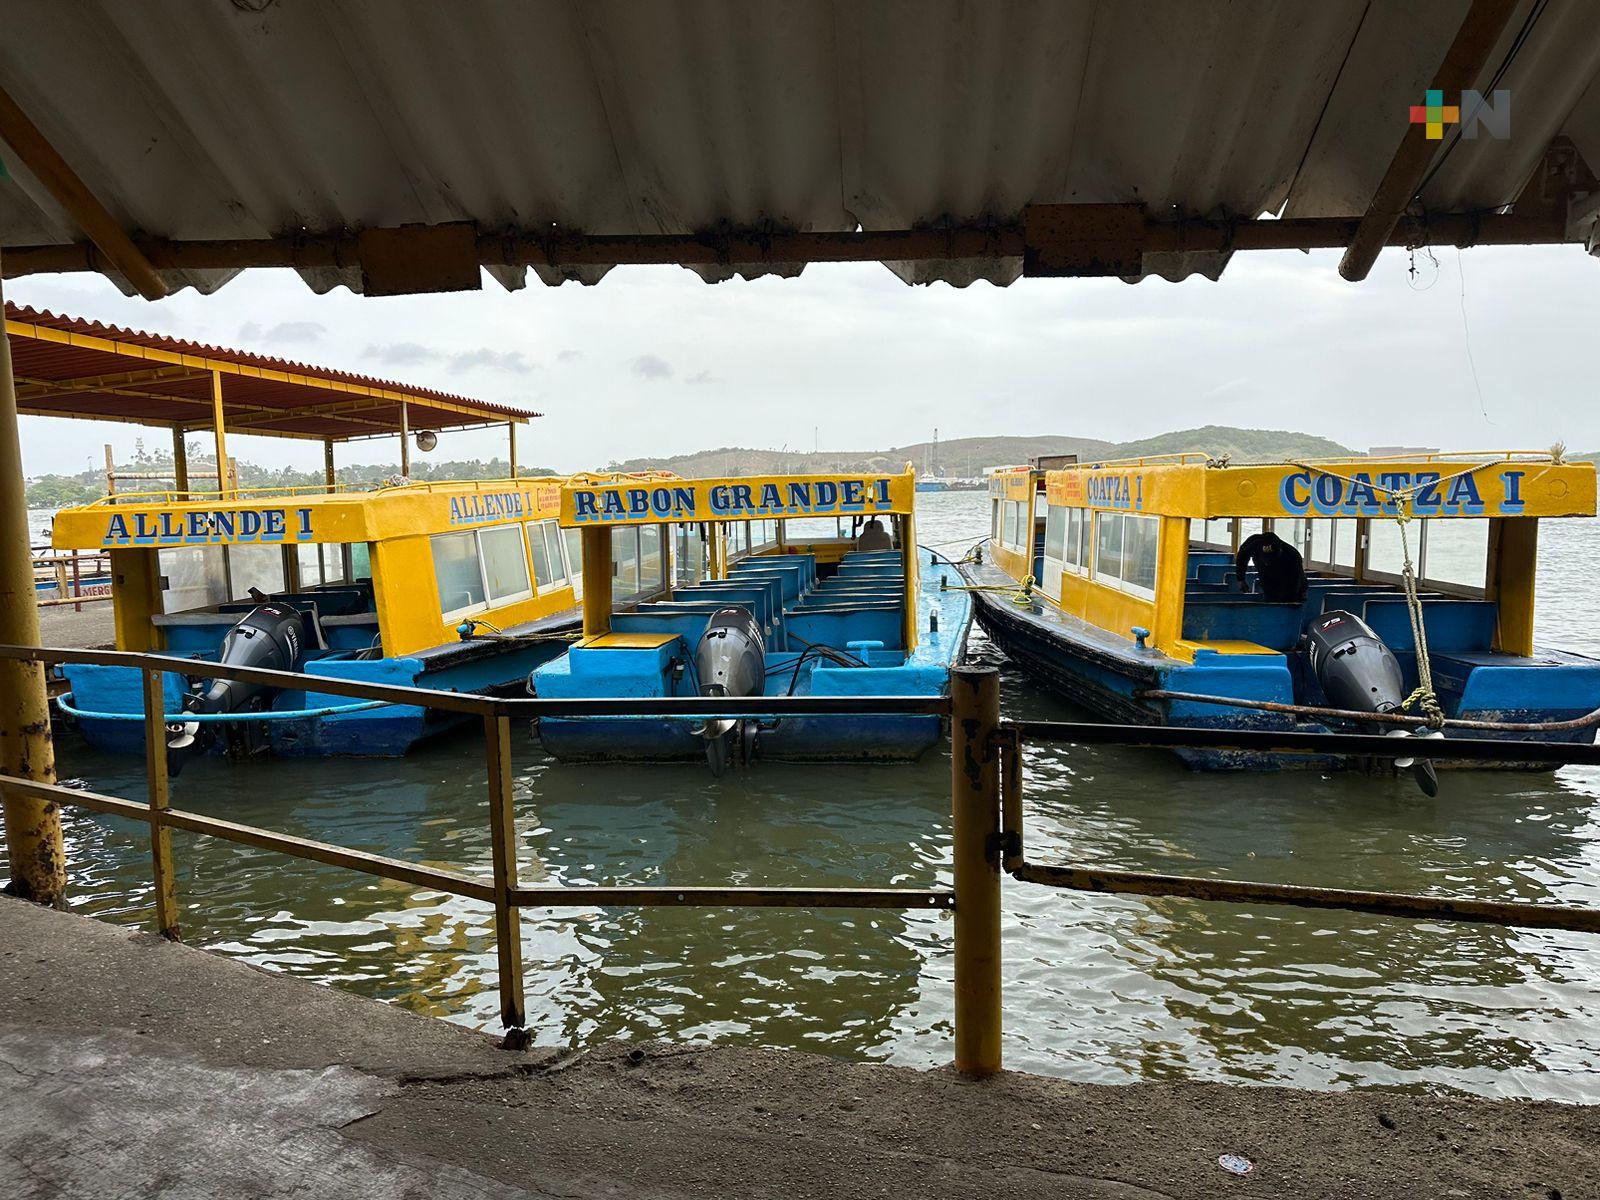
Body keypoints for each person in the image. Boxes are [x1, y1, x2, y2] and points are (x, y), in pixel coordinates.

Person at [1235, 530, 1306, 602]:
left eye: (1271, 559)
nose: (1268, 562)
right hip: (1266, 579)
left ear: (1280, 552)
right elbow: (1242, 556)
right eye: (1266, 559)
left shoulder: (1292, 556)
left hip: (1291, 583)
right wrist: (1241, 579)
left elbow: (1295, 586)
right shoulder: (1253, 543)